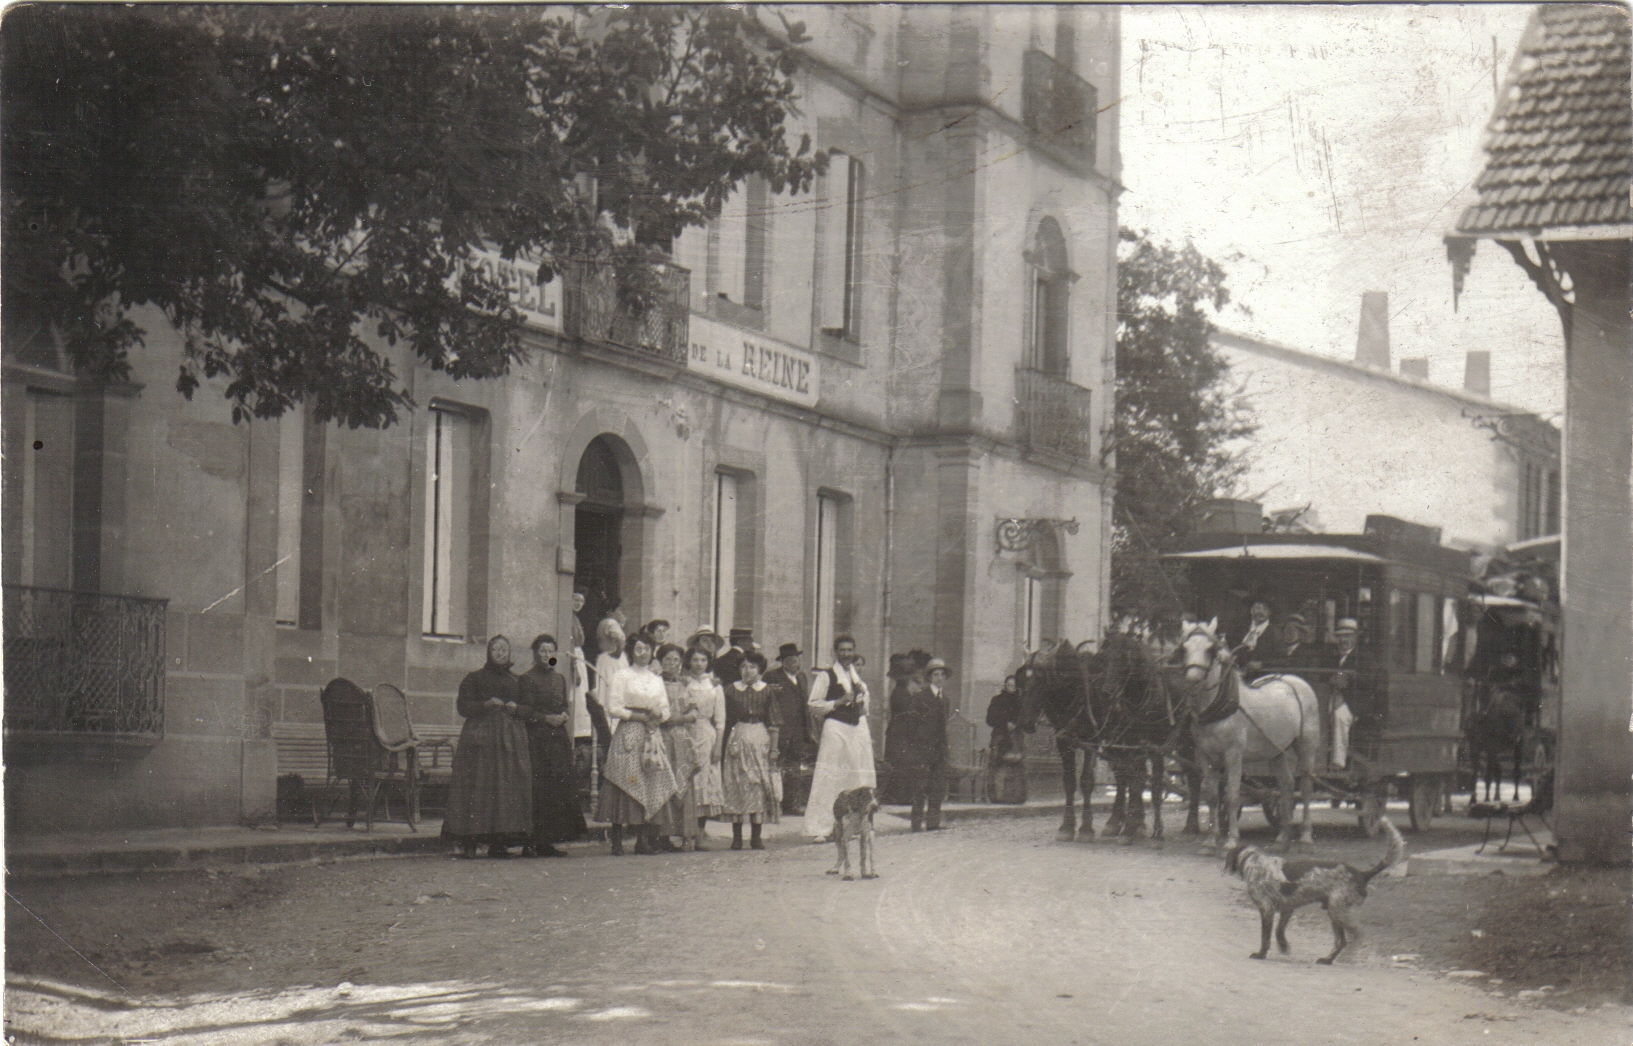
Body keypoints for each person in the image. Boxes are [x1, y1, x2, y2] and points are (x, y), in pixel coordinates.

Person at [443, 635, 533, 859]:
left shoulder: (518, 681)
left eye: (505, 650)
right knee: (478, 787)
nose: (501, 654)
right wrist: (485, 705)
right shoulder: (474, 678)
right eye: (496, 649)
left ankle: (499, 843)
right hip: (481, 742)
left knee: (505, 792)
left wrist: (516, 708)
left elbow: (529, 709)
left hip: (509, 743)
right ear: (489, 652)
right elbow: (463, 707)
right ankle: (470, 842)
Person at [596, 632, 679, 855]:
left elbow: (666, 710)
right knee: (624, 779)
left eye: (647, 649)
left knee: (648, 781)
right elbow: (612, 707)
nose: (643, 653)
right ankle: (617, 839)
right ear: (631, 651)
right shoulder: (622, 676)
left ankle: (642, 839)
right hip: (630, 730)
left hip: (651, 733)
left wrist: (657, 714)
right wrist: (636, 716)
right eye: (639, 649)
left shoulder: (656, 679)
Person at [515, 634, 584, 856]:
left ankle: (548, 841)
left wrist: (564, 714)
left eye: (550, 651)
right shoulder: (527, 679)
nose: (547, 655)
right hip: (537, 740)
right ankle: (531, 842)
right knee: (539, 789)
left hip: (557, 740)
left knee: (557, 790)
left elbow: (564, 704)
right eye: (543, 651)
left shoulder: (559, 679)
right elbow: (525, 711)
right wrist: (545, 719)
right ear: (535, 654)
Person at [804, 635, 876, 842]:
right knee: (830, 776)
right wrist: (837, 702)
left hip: (856, 730)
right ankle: (821, 827)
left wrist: (861, 703)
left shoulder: (856, 678)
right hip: (836, 728)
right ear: (835, 652)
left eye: (849, 650)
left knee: (854, 778)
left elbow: (865, 708)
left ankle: (849, 826)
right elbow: (813, 705)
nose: (846, 654)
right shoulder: (826, 676)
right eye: (842, 650)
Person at [720, 650, 781, 850]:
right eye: (744, 667)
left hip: (759, 736)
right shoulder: (730, 690)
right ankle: (736, 835)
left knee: (758, 784)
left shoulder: (766, 691)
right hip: (738, 735)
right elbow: (724, 719)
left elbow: (774, 722)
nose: (747, 671)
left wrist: (773, 749)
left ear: (760, 669)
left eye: (752, 667)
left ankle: (756, 835)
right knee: (737, 782)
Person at [892, 655, 952, 831]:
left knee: (937, 787)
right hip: (923, 749)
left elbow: (944, 725)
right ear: (930, 677)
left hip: (939, 750)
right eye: (935, 675)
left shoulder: (945, 699)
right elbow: (912, 724)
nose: (939, 678)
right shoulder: (921, 697)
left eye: (942, 675)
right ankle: (916, 823)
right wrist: (916, 749)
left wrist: (945, 747)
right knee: (920, 787)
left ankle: (933, 823)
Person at [681, 645, 728, 848]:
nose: (699, 664)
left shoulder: (715, 687)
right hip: (685, 734)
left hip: (706, 734)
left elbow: (720, 720)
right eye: (695, 660)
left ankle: (699, 834)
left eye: (703, 660)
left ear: (708, 663)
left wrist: (718, 746)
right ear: (689, 662)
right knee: (687, 783)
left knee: (704, 784)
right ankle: (684, 835)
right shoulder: (683, 683)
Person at [653, 643, 698, 852]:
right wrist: (680, 718)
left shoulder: (684, 684)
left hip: (680, 740)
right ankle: (661, 835)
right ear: (661, 661)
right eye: (668, 660)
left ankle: (685, 834)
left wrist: (683, 717)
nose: (672, 664)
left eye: (676, 660)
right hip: (661, 738)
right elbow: (660, 716)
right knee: (662, 782)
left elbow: (694, 711)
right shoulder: (654, 683)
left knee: (683, 783)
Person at [763, 641, 815, 815]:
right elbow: (765, 699)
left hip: (798, 730)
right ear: (783, 661)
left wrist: (809, 729)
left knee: (794, 767)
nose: (795, 664)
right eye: (791, 660)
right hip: (781, 729)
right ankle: (773, 804)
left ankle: (792, 803)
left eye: (797, 660)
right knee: (776, 767)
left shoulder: (801, 677)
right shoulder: (772, 677)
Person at [1323, 617, 1364, 769]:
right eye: (1340, 636)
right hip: (1331, 698)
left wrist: (1346, 682)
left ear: (1355, 637)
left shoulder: (1363, 657)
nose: (1343, 640)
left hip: (1354, 702)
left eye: (1347, 636)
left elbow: (1367, 682)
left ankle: (1338, 761)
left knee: (1339, 716)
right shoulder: (1332, 657)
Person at [985, 674, 1027, 804]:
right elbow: (990, 719)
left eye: (1014, 685)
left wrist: (1016, 724)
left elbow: (1026, 718)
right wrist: (1005, 723)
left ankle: (1016, 796)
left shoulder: (1021, 702)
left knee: (1017, 765)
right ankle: (997, 796)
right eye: (1009, 685)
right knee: (998, 765)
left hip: (1016, 738)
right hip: (1000, 736)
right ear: (1005, 685)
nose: (1011, 688)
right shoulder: (997, 700)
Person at [1233, 599, 1274, 676]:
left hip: (1262, 678)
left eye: (1264, 609)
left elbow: (1282, 660)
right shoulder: (1241, 629)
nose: (1260, 612)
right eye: (1257, 608)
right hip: (1236, 675)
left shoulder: (1275, 634)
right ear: (1251, 611)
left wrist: (1262, 664)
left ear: (1269, 613)